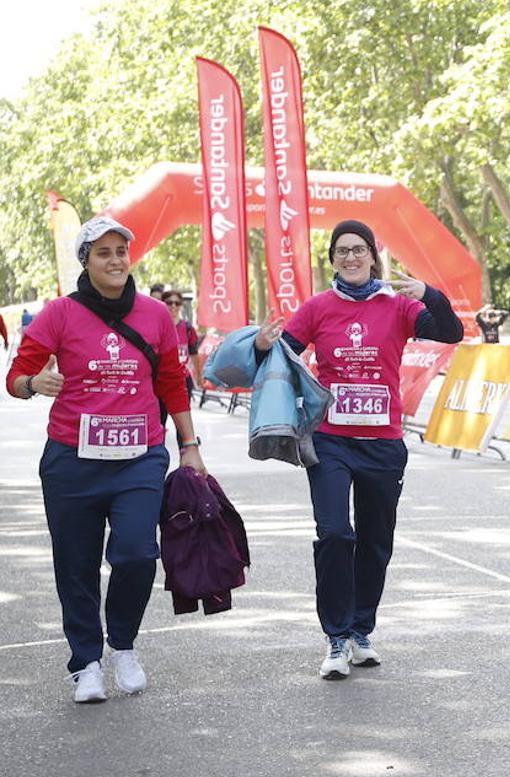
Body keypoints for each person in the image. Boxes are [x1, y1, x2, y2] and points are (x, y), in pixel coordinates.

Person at [5, 216, 205, 703]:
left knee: (137, 553)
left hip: (138, 457)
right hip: (72, 460)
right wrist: (36, 384)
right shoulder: (59, 314)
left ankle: (122, 644)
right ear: (86, 262)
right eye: (104, 254)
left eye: (121, 252)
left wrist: (189, 444)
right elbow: (16, 377)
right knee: (75, 565)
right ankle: (86, 663)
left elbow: (171, 383)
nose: (116, 261)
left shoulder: (156, 315)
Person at [254, 219, 463, 679]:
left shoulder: (398, 306)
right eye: (341, 251)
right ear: (332, 259)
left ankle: (360, 631)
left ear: (373, 255)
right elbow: (280, 358)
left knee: (374, 542)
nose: (350, 257)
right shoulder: (317, 308)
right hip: (330, 442)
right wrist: (261, 346)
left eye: (359, 249)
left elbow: (452, 332)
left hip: (383, 445)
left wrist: (427, 292)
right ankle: (334, 637)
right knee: (334, 533)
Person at [162, 290, 202, 398]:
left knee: (183, 414)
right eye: (169, 303)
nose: (173, 306)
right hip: (162, 380)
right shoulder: (158, 327)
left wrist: (199, 376)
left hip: (183, 379)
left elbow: (194, 354)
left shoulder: (188, 329)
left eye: (177, 303)